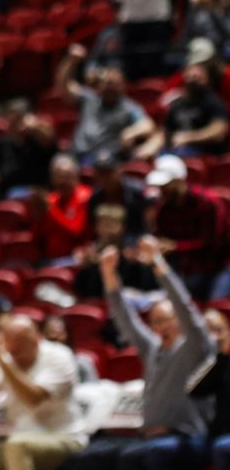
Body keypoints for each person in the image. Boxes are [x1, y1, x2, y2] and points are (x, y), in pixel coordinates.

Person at [64, 237, 215, 470]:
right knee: (93, 457)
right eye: (155, 322)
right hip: (149, 437)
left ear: (179, 320)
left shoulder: (196, 346)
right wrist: (108, 273)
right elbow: (125, 318)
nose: (160, 326)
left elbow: (185, 307)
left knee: (150, 454)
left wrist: (158, 263)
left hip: (188, 437)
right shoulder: (152, 348)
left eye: (166, 320)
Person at [0, 315, 87, 470]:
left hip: (64, 436)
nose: (13, 349)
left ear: (35, 340)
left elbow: (33, 398)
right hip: (18, 438)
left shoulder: (58, 355)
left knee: (17, 445)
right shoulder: (7, 358)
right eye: (9, 342)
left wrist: (3, 361)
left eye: (19, 344)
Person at [54, 44, 152, 163]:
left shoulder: (128, 107)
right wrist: (71, 61)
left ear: (123, 86)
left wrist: (131, 132)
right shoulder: (89, 99)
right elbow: (65, 87)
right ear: (100, 85)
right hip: (76, 156)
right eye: (107, 83)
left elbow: (147, 125)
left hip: (103, 161)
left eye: (114, 84)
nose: (109, 87)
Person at [145, 154, 223, 297]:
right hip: (178, 263)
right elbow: (160, 235)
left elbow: (212, 243)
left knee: (191, 284)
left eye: (166, 186)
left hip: (210, 265)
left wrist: (176, 246)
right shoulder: (163, 207)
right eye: (161, 187)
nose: (163, 190)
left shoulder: (206, 203)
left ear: (180, 181)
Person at [138, 62, 228, 157]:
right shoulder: (177, 104)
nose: (193, 79)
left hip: (203, 153)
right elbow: (165, 131)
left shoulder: (214, 102)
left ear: (207, 79)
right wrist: (151, 146)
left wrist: (189, 137)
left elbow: (219, 131)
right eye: (191, 75)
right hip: (175, 150)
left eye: (198, 76)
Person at [0, 100, 57, 199]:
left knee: (14, 194)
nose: (14, 125)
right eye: (10, 120)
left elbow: (49, 138)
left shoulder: (37, 140)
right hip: (3, 191)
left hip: (32, 190)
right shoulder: (5, 142)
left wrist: (35, 127)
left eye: (17, 120)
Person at [189, 309, 230, 470]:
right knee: (182, 449)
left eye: (218, 330)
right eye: (207, 332)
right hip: (214, 433)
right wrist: (223, 357)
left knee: (222, 448)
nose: (213, 337)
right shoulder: (220, 362)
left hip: (223, 440)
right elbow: (195, 390)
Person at [38, 154, 93, 262]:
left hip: (75, 258)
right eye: (58, 176)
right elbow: (39, 235)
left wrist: (51, 211)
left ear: (76, 176)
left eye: (66, 176)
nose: (62, 181)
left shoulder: (85, 197)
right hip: (49, 259)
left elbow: (76, 231)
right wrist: (36, 216)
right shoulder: (51, 199)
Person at [40, 316, 98, 383]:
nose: (54, 336)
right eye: (49, 333)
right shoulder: (34, 364)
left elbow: (92, 390)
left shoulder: (82, 363)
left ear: (67, 335)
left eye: (60, 333)